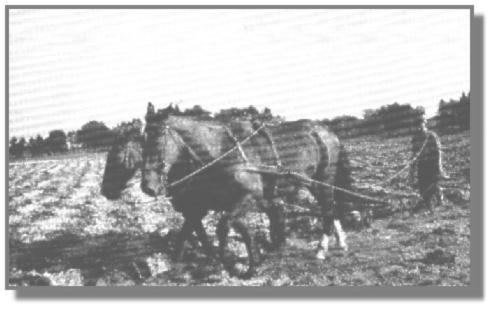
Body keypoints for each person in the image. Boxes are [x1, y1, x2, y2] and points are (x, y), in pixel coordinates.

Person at [409, 119, 448, 212]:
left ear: (424, 124)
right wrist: (411, 170)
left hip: (432, 164)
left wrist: (439, 166)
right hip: (422, 165)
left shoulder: (431, 136)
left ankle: (439, 200)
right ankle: (429, 206)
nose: (418, 127)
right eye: (416, 125)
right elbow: (414, 155)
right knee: (422, 186)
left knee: (433, 185)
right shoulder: (415, 139)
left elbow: (438, 152)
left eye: (420, 124)